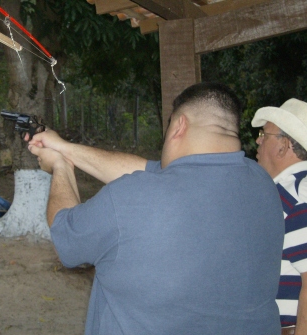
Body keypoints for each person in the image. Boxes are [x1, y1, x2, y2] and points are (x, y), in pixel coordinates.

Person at [28, 82, 285, 334]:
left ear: (179, 125)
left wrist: (61, 167)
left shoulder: (129, 198)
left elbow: (65, 236)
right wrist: (63, 147)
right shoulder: (262, 183)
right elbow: (146, 170)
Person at [251, 98, 307, 335]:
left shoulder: (297, 193)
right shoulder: (284, 191)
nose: (257, 140)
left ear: (284, 145)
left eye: (264, 134)